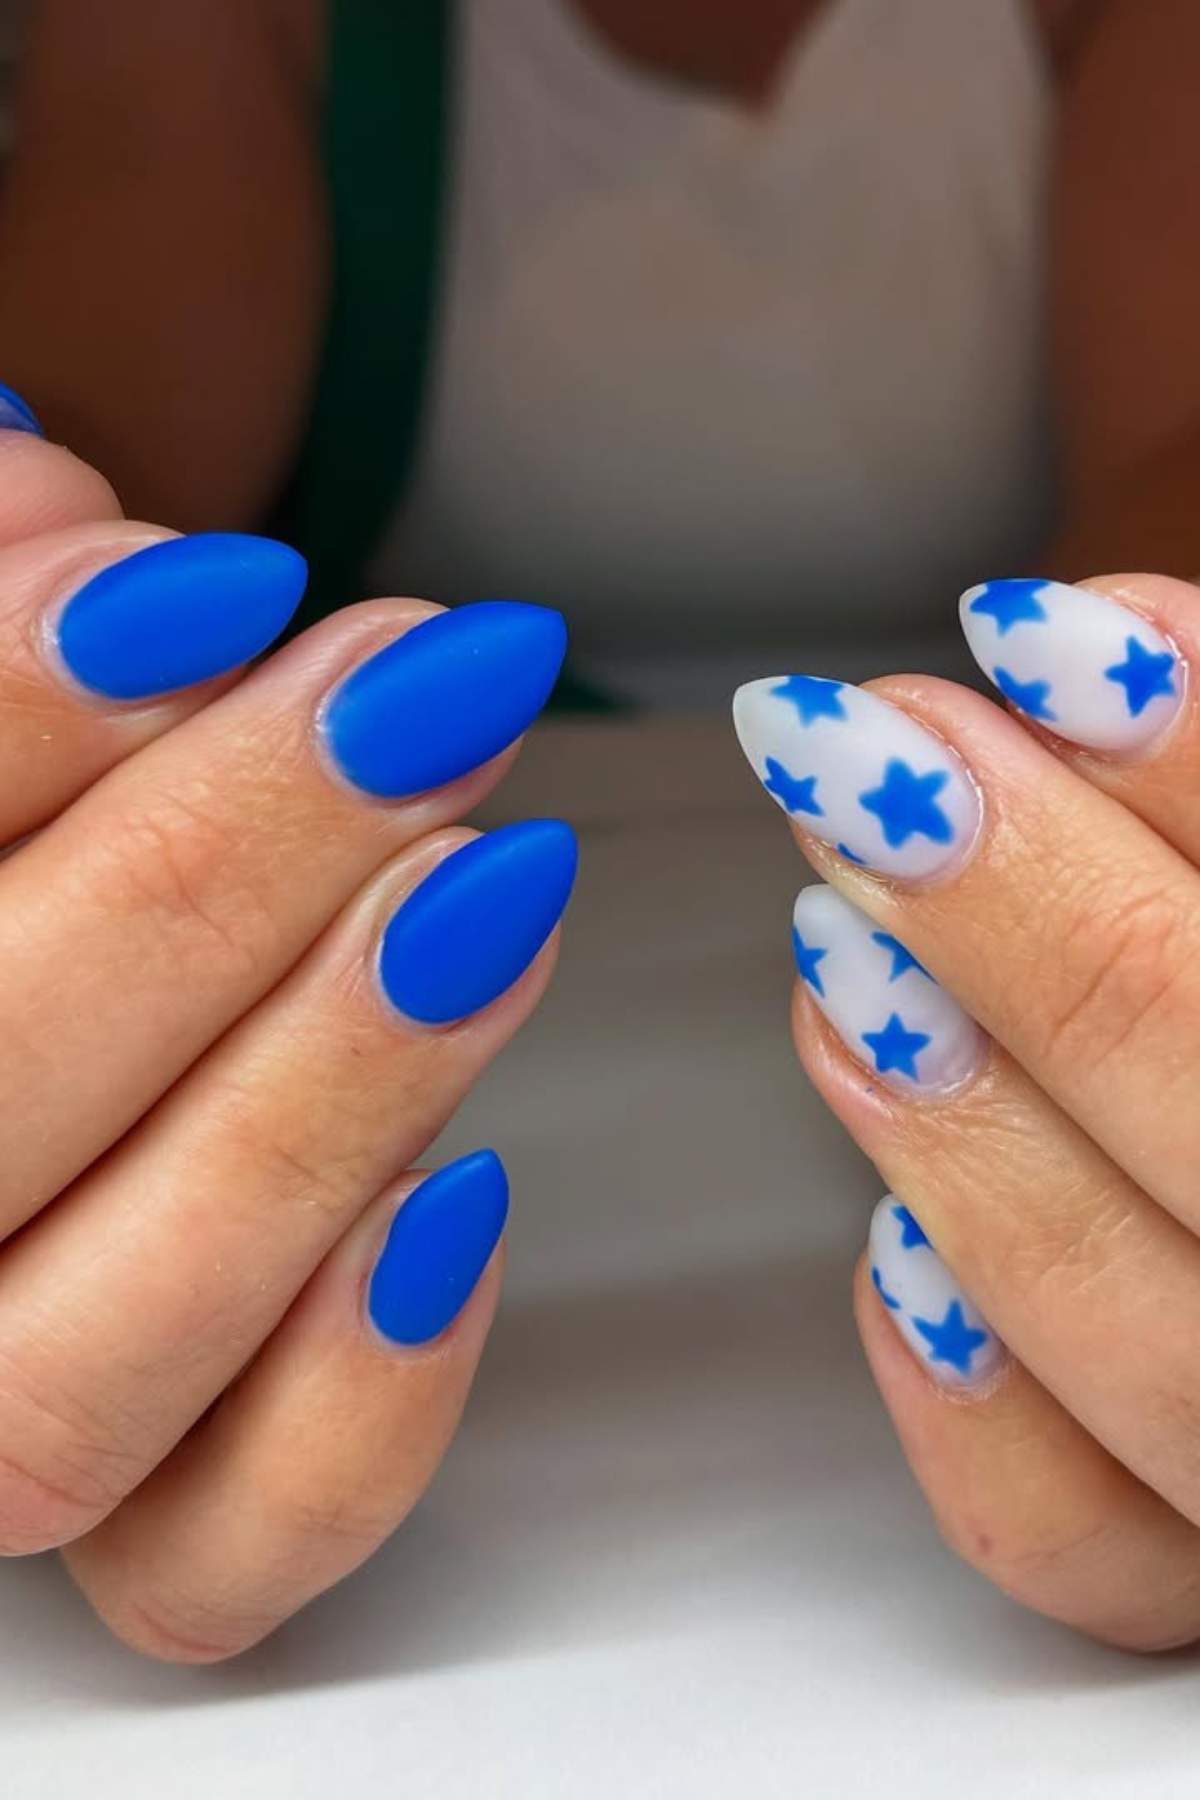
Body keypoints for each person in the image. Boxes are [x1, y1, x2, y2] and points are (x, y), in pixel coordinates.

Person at [0, 0, 1199, 1659]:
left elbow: (1175, 492)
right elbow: (100, 424)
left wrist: (1149, 771)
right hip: (496, 1013)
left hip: (892, 988)